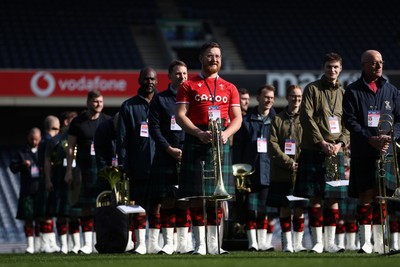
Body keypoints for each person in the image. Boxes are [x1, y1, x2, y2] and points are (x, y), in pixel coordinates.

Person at [175, 41, 242, 255]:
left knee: (217, 197)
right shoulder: (188, 85)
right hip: (197, 139)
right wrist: (198, 133)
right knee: (196, 197)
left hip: (219, 140)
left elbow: (237, 118)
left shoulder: (230, 87)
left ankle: (214, 245)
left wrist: (226, 134)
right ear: (201, 58)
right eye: (210, 55)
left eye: (218, 56)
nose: (214, 59)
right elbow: (180, 115)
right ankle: (200, 246)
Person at [343, 49, 400, 254]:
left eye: (381, 62)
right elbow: (348, 120)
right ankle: (365, 243)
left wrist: (391, 136)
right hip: (364, 150)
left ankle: (380, 243)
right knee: (365, 195)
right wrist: (370, 138)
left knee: (382, 197)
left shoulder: (392, 90)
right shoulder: (352, 90)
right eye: (374, 63)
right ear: (364, 65)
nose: (379, 66)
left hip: (386, 151)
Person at [293, 52, 348, 253]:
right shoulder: (312, 88)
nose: (332, 70)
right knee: (315, 197)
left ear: (340, 68)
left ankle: (331, 243)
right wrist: (322, 142)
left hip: (336, 151)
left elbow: (347, 122)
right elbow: (306, 118)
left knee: (333, 198)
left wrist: (341, 143)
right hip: (314, 150)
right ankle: (317, 242)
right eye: (328, 67)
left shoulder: (344, 92)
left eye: (335, 67)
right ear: (323, 68)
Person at [148, 60, 192, 255]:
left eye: (184, 73)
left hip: (189, 155)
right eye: (178, 73)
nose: (182, 77)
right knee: (167, 200)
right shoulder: (160, 99)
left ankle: (183, 244)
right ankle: (168, 243)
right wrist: (168, 148)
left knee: (184, 200)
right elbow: (154, 128)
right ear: (170, 76)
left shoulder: (193, 97)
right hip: (166, 155)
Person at [64, 90, 111, 254]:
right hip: (83, 169)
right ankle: (86, 244)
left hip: (103, 169)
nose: (99, 104)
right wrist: (69, 171)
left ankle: (102, 242)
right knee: (85, 208)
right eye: (95, 101)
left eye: (101, 101)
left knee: (102, 207)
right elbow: (70, 148)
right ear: (88, 103)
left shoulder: (107, 120)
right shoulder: (77, 122)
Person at [117, 67, 158, 255]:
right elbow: (122, 138)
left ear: (156, 81)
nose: (149, 82)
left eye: (152, 79)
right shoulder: (128, 106)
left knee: (158, 205)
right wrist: (123, 164)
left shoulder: (163, 103)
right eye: (146, 79)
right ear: (139, 81)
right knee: (139, 205)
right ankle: (140, 244)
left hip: (160, 163)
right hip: (137, 164)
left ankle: (155, 244)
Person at [232, 84, 276, 252]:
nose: (269, 101)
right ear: (258, 98)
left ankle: (265, 242)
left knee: (266, 210)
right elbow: (238, 149)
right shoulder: (245, 121)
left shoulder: (277, 121)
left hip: (269, 172)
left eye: (272, 98)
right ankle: (253, 243)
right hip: (249, 172)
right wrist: (239, 172)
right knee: (250, 209)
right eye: (266, 97)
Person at [267, 84, 308, 253]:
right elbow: (272, 144)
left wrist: (303, 162)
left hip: (302, 170)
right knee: (284, 207)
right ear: (287, 97)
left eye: (299, 96)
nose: (296, 99)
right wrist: (289, 162)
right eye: (293, 96)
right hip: (281, 171)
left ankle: (298, 244)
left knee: (299, 209)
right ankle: (287, 244)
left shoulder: (306, 118)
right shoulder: (277, 119)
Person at [44, 111, 79, 254]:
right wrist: (48, 180)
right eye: (74, 120)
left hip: (77, 181)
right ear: (66, 122)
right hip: (60, 179)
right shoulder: (55, 140)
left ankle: (76, 245)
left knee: (75, 214)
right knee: (61, 214)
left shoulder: (80, 139)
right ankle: (64, 245)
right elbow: (47, 160)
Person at [9, 127, 42, 254]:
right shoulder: (21, 152)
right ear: (28, 138)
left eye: (37, 139)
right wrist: (22, 164)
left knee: (40, 218)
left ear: (40, 139)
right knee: (28, 218)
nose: (34, 142)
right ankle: (30, 246)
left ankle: (40, 245)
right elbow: (12, 168)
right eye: (32, 139)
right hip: (27, 190)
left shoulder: (44, 151)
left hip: (40, 189)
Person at [35, 115, 61, 253]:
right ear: (55, 127)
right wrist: (48, 179)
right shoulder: (48, 141)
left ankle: (51, 242)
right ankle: (46, 243)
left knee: (49, 212)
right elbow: (47, 162)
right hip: (47, 178)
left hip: (45, 178)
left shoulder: (44, 141)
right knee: (46, 212)